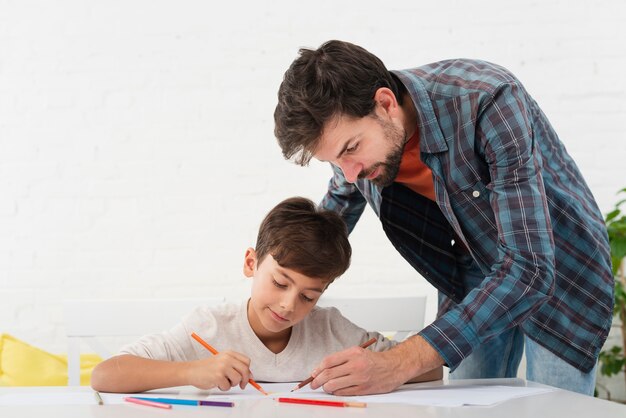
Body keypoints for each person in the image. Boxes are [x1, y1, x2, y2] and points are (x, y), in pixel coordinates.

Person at [273, 40, 614, 396]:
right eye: (335, 160)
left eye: (351, 150)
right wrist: (268, 301)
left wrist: (397, 363)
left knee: (554, 410)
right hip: (473, 273)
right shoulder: (351, 148)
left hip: (561, 271)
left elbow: (529, 268)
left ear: (386, 104)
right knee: (466, 403)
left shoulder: (488, 99)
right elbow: (326, 229)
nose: (350, 174)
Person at [90, 196, 442, 393]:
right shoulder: (208, 327)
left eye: (309, 297)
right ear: (250, 263)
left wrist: (380, 369)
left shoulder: (333, 330)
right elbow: (104, 375)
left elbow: (431, 372)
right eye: (280, 282)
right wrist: (191, 372)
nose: (289, 305)